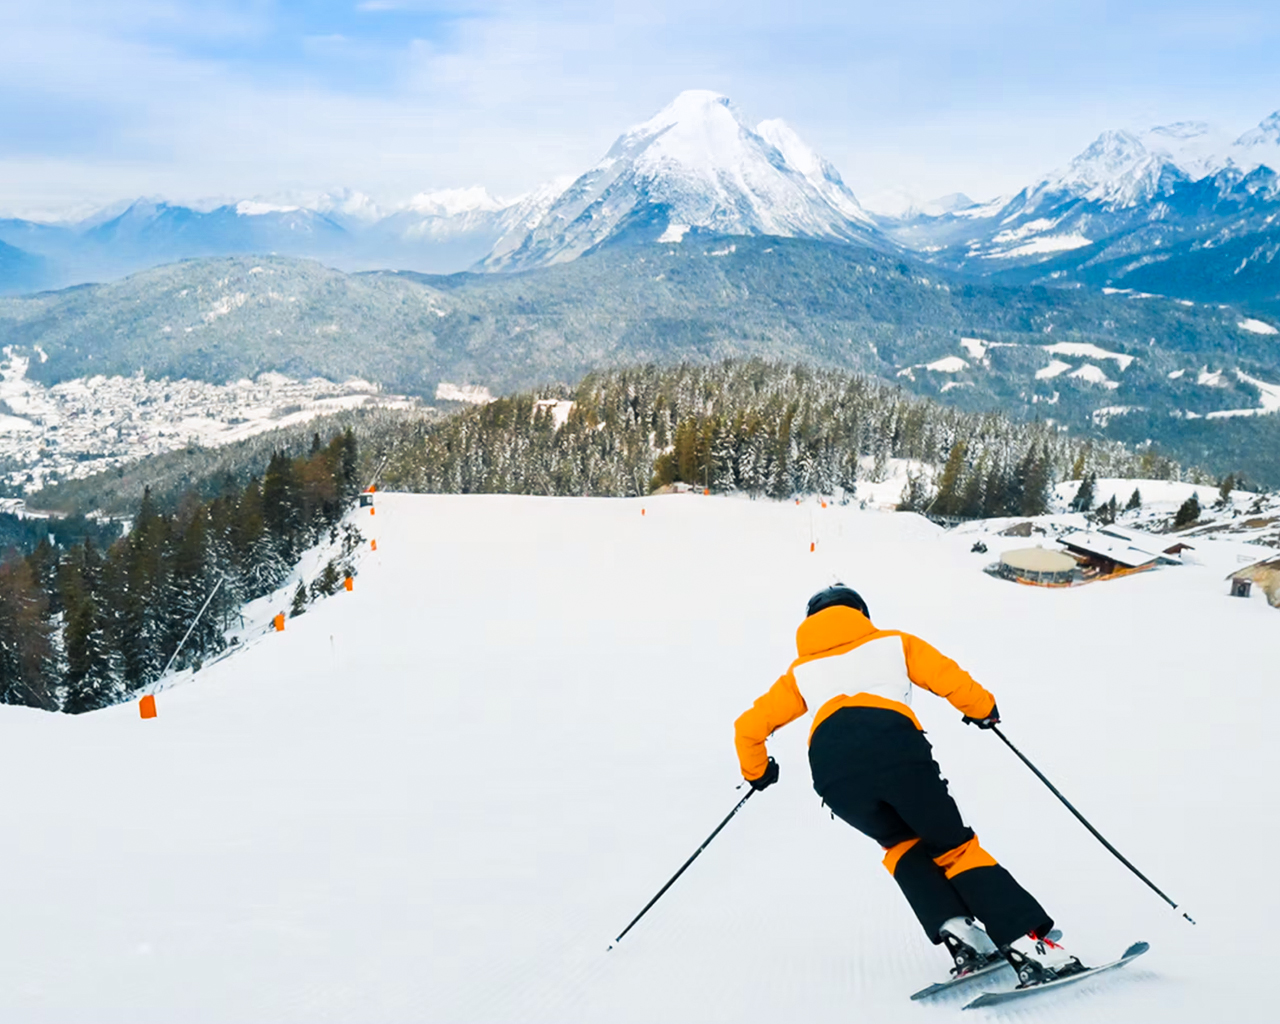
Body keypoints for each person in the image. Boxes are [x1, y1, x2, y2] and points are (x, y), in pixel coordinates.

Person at [734, 584, 1084, 986]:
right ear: (861, 614)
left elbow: (747, 729)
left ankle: (964, 938)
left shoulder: (800, 672)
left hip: (833, 774)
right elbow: (949, 678)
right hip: (895, 750)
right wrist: (984, 710)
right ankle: (1030, 945)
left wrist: (757, 773)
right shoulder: (894, 643)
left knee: (902, 844)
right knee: (954, 848)